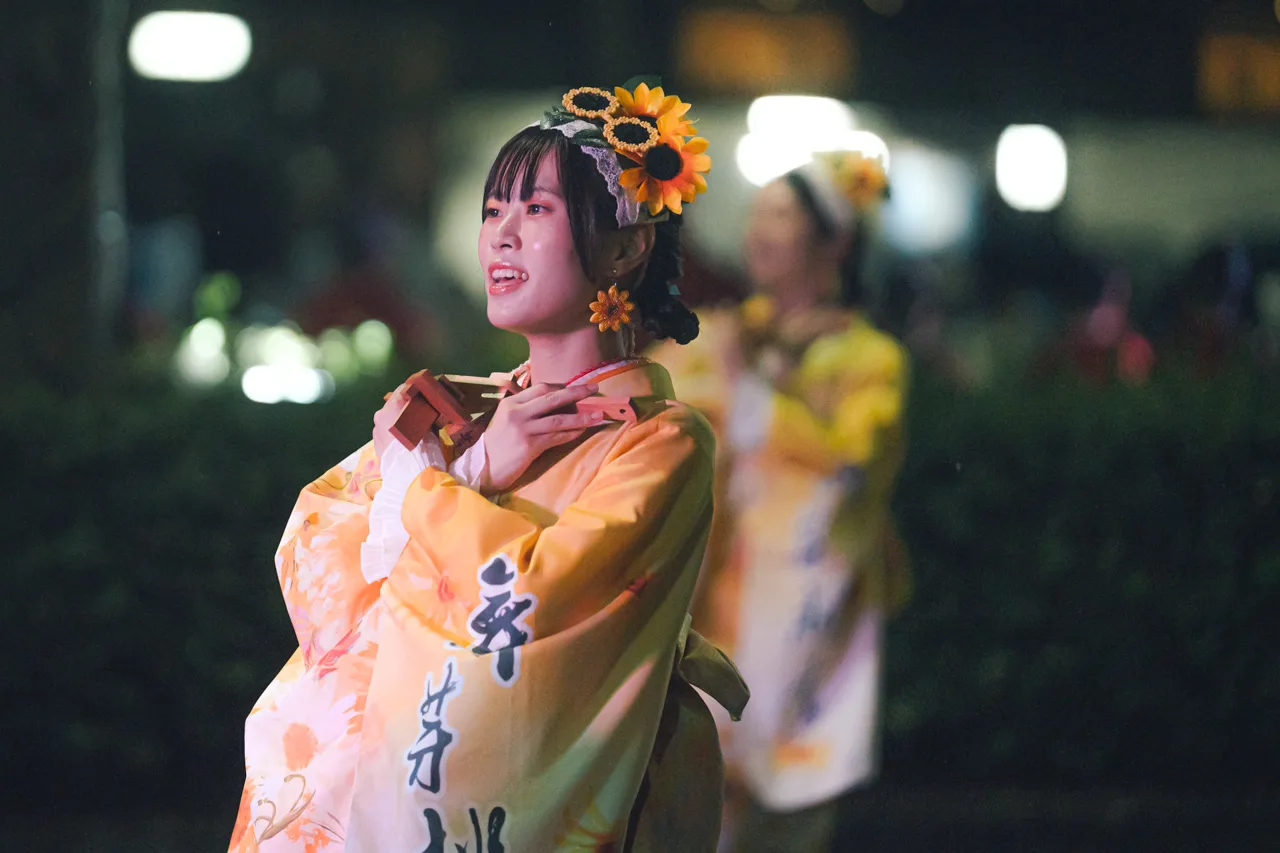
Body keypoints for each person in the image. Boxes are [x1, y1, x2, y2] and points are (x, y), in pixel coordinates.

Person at [228, 80, 746, 853]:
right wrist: (471, 470)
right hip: (398, 781)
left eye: (535, 209)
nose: (501, 234)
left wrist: (430, 487)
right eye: (492, 210)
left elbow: (534, 599)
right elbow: (318, 554)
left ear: (625, 245)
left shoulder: (663, 440)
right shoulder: (456, 411)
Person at [651, 152, 911, 851]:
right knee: (703, 793)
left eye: (781, 214)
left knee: (789, 806)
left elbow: (854, 464)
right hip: (719, 594)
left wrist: (751, 394)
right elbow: (657, 408)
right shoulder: (722, 335)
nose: (759, 230)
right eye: (757, 213)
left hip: (809, 607)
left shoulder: (869, 358)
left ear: (834, 242)